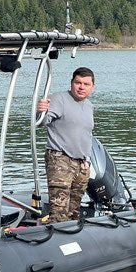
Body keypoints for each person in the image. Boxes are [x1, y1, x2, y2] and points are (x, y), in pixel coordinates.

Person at [37, 67, 95, 222]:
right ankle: (55, 239)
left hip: (82, 164)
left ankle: (73, 240)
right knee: (59, 211)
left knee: (74, 211)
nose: (81, 87)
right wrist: (40, 111)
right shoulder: (60, 99)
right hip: (60, 160)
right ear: (71, 84)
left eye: (86, 84)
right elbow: (42, 121)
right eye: (78, 82)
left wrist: (88, 160)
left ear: (92, 87)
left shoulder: (89, 106)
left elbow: (87, 135)